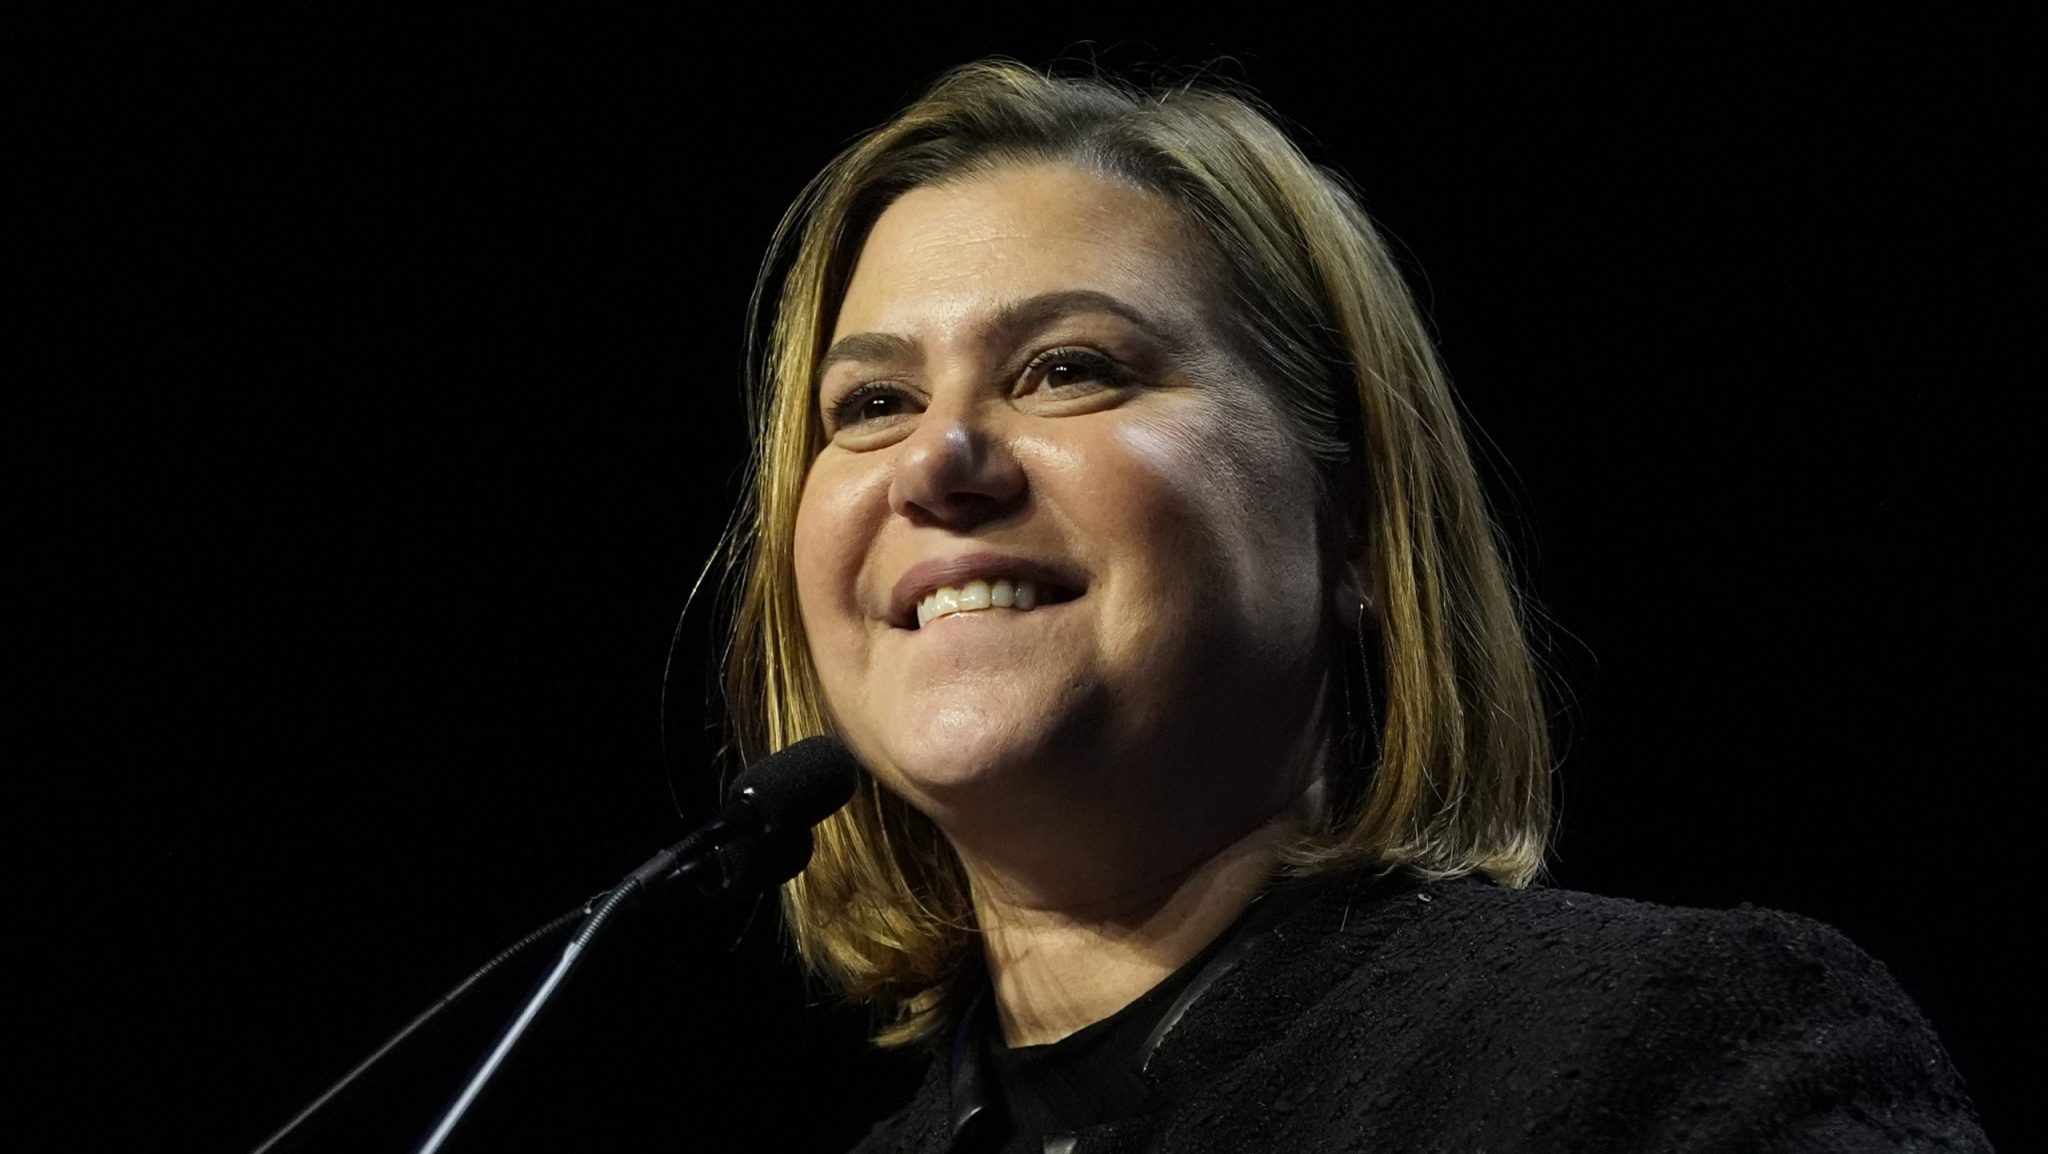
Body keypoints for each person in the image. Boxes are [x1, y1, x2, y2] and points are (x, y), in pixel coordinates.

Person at [716, 59, 1989, 1152]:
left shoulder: (1666, 1049)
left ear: (1358, 524)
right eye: (870, 405)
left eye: (1066, 370)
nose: (937, 461)